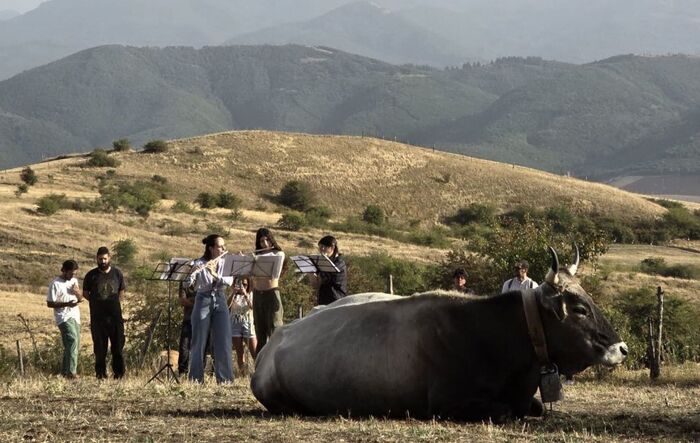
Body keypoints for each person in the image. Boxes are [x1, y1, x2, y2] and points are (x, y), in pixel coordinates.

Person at [185, 234, 234, 384]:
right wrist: (192, 274)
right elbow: (187, 286)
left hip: (220, 299)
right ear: (211, 248)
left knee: (223, 340)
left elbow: (229, 281)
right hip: (203, 299)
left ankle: (224, 379)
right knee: (198, 341)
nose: (223, 249)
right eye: (220, 246)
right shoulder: (199, 262)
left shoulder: (226, 263)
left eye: (223, 246)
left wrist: (215, 274)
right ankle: (195, 379)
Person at [83, 246, 127, 379]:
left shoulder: (117, 273)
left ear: (109, 258)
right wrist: (97, 303)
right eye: (100, 259)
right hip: (98, 319)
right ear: (97, 259)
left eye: (105, 259)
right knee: (100, 349)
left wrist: (114, 303)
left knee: (117, 348)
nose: (102, 261)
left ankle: (119, 374)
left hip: (115, 318)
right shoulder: (91, 275)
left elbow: (122, 290)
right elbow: (85, 293)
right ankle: (101, 375)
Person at [46, 259, 82, 379]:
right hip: (63, 317)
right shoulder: (55, 284)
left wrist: (77, 293)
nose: (73, 276)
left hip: (75, 316)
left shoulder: (74, 281)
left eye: (75, 274)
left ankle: (64, 372)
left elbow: (80, 299)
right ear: (64, 271)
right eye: (71, 273)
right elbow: (50, 303)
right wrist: (66, 304)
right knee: (72, 340)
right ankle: (71, 372)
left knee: (73, 344)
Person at [252, 227, 285, 353]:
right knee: (259, 332)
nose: (265, 244)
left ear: (271, 240)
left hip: (271, 294)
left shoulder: (278, 254)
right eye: (261, 241)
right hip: (257, 295)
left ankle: (276, 366)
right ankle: (259, 367)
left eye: (267, 240)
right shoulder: (256, 256)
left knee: (275, 330)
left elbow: (275, 275)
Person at [229, 276, 257, 374]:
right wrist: (233, 293)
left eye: (245, 284)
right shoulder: (233, 295)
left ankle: (259, 371)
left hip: (247, 323)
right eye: (239, 284)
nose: (242, 286)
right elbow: (227, 305)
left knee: (254, 352)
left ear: (248, 285)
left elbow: (252, 306)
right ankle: (243, 374)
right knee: (239, 353)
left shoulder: (251, 294)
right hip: (235, 323)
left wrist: (245, 294)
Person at [309, 235, 347, 306]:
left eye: (325, 247)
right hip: (323, 300)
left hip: (336, 300)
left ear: (332, 247)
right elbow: (315, 285)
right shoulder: (321, 262)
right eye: (320, 247)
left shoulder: (339, 263)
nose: (322, 250)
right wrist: (310, 271)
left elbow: (320, 281)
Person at [177, 281, 196, 376]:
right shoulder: (185, 280)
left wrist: (191, 300)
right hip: (188, 318)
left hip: (203, 319)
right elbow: (182, 300)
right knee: (184, 346)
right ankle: (182, 373)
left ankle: (198, 372)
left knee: (202, 346)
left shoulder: (205, 278)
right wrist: (196, 303)